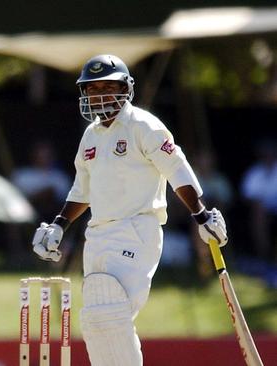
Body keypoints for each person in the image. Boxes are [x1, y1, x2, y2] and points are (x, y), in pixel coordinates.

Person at [31, 54, 228, 365]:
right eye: (93, 89)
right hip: (97, 235)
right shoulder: (91, 136)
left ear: (125, 88)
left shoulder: (144, 126)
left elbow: (176, 169)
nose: (100, 95)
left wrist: (201, 215)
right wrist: (59, 225)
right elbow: (82, 190)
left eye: (108, 87)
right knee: (98, 322)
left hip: (136, 230)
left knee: (110, 313)